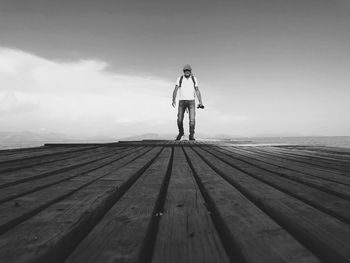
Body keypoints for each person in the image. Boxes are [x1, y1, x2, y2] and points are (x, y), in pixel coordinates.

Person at [172, 64, 204, 141]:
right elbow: (175, 89)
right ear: (184, 71)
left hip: (191, 101)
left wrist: (200, 102)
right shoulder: (180, 78)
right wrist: (173, 99)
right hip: (181, 101)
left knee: (192, 119)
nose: (187, 72)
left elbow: (197, 90)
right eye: (185, 70)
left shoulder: (194, 79)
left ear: (190, 71)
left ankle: (191, 135)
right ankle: (181, 132)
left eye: (188, 70)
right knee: (179, 119)